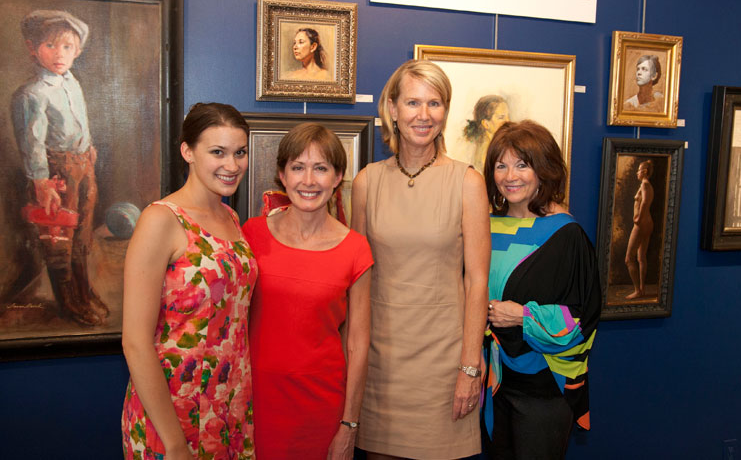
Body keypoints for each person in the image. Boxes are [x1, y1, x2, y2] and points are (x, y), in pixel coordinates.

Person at [352, 59, 490, 459]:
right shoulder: (366, 183)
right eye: (413, 103)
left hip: (446, 367)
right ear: (392, 109)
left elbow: (477, 281)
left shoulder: (466, 181)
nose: (424, 115)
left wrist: (470, 366)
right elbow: (357, 281)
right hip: (382, 366)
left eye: (435, 103)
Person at [121, 102, 256, 460]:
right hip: (172, 410)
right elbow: (135, 342)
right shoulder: (160, 220)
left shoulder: (229, 216)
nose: (232, 165)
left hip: (228, 404)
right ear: (188, 152)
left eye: (239, 153)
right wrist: (174, 442)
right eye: (218, 152)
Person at [243, 123, 373, 459]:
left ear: (337, 176)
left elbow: (358, 344)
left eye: (321, 168)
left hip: (321, 411)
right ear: (282, 175)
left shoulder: (356, 250)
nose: (309, 181)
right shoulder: (251, 234)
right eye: (298, 168)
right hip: (253, 404)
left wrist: (349, 425)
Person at [482, 120, 600, 459]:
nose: (510, 176)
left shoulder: (566, 234)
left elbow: (582, 319)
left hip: (544, 391)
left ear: (543, 170)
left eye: (522, 164)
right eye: (501, 165)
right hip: (494, 383)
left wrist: (522, 316)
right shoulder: (486, 225)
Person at [10, 9, 108, 326]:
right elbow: (32, 142)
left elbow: (80, 121)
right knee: (58, 237)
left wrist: (88, 147)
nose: (59, 54)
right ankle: (68, 302)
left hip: (82, 165)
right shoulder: (32, 94)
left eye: (67, 47)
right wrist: (42, 182)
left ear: (77, 50)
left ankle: (83, 292)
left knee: (82, 233)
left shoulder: (72, 83)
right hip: (55, 171)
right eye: (50, 46)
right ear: (32, 48)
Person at [625, 159, 654, 300]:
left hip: (642, 223)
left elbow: (644, 203)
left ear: (645, 172)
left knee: (629, 258)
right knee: (641, 257)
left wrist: (638, 218)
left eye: (639, 170)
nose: (637, 173)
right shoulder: (644, 185)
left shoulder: (645, 185)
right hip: (646, 223)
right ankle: (642, 289)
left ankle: (638, 290)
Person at [462, 94, 510, 172]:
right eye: (501, 117)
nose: (508, 121)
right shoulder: (485, 155)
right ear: (486, 124)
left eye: (508, 116)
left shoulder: (497, 146)